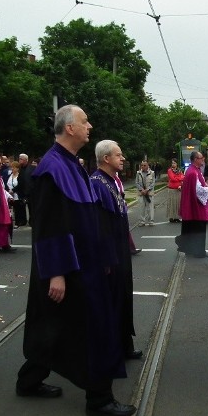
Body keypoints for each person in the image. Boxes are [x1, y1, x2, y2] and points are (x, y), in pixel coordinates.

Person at [15, 105, 136, 416]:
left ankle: (29, 380)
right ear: (69, 128)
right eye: (84, 121)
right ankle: (99, 398)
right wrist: (56, 272)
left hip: (85, 264)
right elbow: (47, 225)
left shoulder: (71, 165)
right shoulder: (50, 169)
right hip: (69, 268)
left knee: (53, 325)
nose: (89, 125)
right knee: (92, 328)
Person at [90, 140, 143, 361]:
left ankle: (123, 344)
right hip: (110, 255)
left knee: (122, 297)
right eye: (119, 155)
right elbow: (99, 226)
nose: (123, 159)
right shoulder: (97, 183)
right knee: (111, 301)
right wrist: (106, 260)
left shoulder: (111, 181)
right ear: (106, 159)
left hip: (120, 250)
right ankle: (112, 348)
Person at [176, 151, 208, 258]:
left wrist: (204, 185)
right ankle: (199, 251)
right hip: (196, 206)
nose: (203, 159)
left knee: (192, 227)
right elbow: (198, 189)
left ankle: (190, 249)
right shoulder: (193, 172)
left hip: (192, 205)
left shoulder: (193, 170)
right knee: (199, 228)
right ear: (195, 159)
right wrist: (207, 188)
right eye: (201, 158)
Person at [14, 153, 33, 226]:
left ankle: (32, 221)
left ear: (25, 160)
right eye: (19, 158)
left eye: (21, 159)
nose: (19, 160)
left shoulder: (32, 168)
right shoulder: (20, 169)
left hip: (30, 193)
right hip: (22, 192)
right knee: (22, 208)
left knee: (31, 208)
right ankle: (23, 221)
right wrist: (14, 189)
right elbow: (20, 181)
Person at [135, 160, 155, 226]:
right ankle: (142, 221)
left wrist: (147, 189)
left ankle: (151, 221)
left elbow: (153, 183)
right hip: (141, 193)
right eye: (142, 165)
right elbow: (136, 182)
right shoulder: (138, 173)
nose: (143, 166)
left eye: (144, 165)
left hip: (149, 193)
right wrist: (141, 190)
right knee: (141, 207)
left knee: (150, 207)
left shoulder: (152, 173)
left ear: (147, 166)